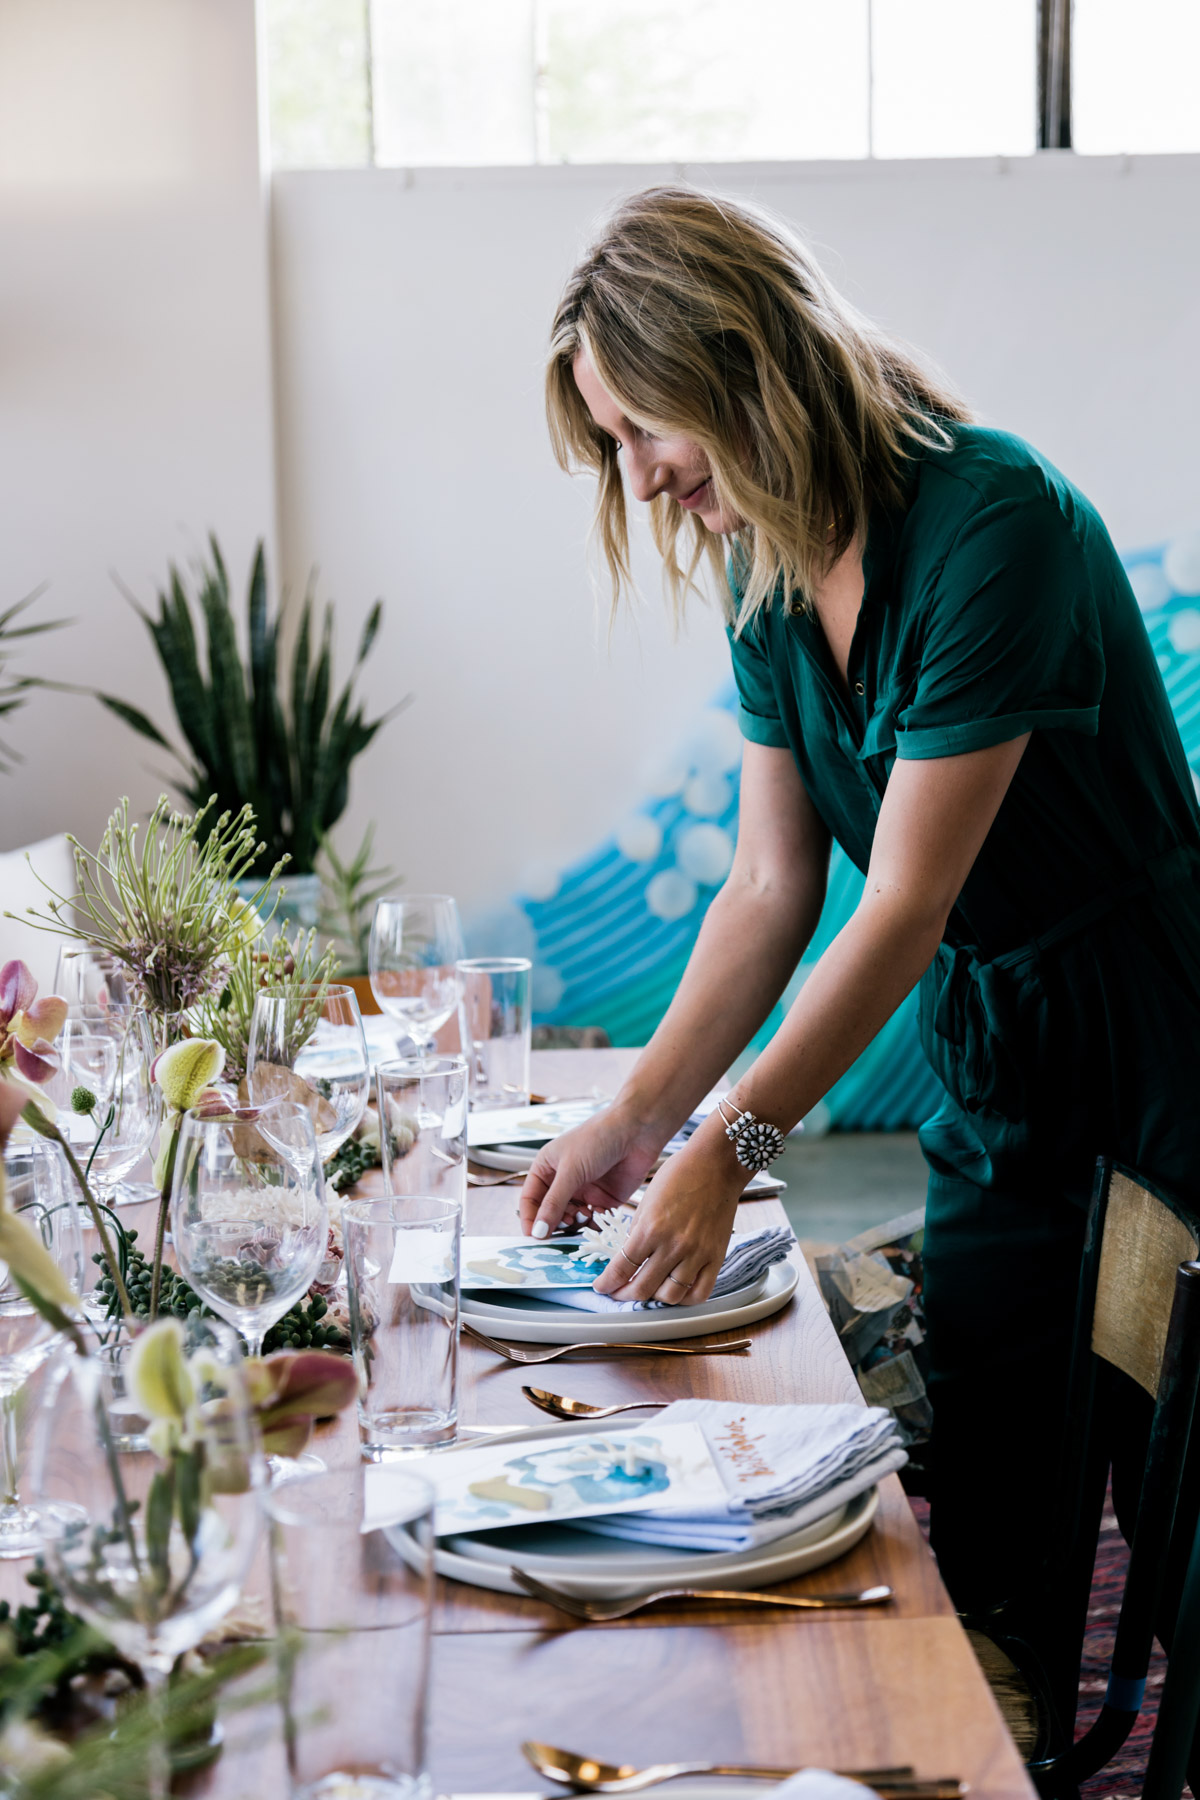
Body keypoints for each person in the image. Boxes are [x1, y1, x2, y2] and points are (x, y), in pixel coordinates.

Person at [519, 185, 1200, 1634]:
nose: (636, 479)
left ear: (741, 362)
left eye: (645, 427)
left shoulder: (991, 519)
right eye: (613, 443)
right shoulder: (766, 564)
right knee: (999, 1516)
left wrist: (735, 1143)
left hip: (1157, 1046)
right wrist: (636, 1121)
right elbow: (771, 886)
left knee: (1182, 1507)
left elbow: (899, 905)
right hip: (997, 1058)